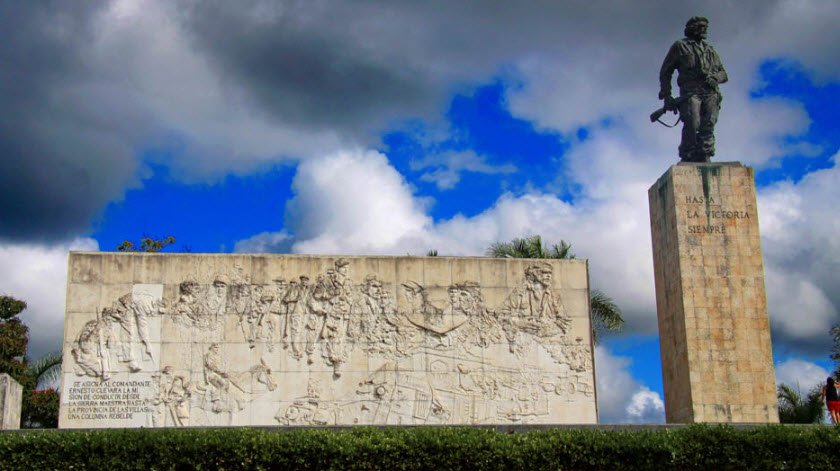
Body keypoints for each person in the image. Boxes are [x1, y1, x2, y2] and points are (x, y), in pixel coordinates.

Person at [659, 16, 728, 162]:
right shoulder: (680, 46)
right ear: (692, 29)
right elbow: (666, 72)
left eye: (706, 27)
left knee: (709, 123)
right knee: (692, 122)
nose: (704, 30)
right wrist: (667, 95)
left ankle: (705, 154)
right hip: (690, 92)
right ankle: (688, 154)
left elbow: (724, 74)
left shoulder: (710, 50)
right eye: (701, 27)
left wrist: (715, 78)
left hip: (710, 92)